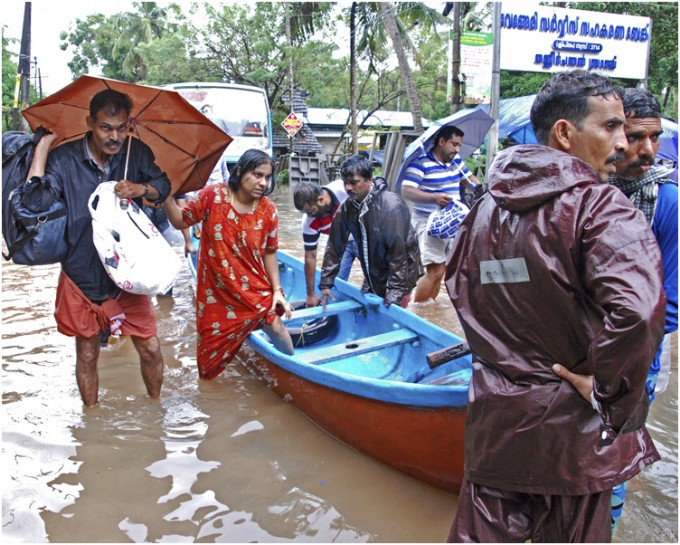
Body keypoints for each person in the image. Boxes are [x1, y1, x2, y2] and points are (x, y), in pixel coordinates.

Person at [444, 70, 666, 542]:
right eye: (610, 127)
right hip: (573, 439)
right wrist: (610, 396)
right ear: (565, 133)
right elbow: (639, 312)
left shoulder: (485, 207)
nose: (624, 143)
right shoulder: (601, 207)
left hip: (496, 425)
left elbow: (459, 286)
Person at [24, 89, 170, 407]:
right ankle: (91, 416)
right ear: (90, 123)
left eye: (120, 127)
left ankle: (155, 408)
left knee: (150, 347)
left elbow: (163, 186)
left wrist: (140, 188)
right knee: (87, 353)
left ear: (129, 124)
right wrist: (43, 148)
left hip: (128, 275)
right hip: (81, 273)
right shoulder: (64, 159)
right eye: (105, 127)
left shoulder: (137, 154)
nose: (114, 136)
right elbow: (34, 201)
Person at [608, 87, 678, 531]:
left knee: (613, 461)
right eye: (635, 137)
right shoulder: (590, 189)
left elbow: (671, 303)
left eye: (653, 137)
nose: (647, 149)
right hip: (579, 354)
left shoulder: (667, 202)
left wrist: (619, 360)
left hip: (636, 356)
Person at [164, 149, 294, 380]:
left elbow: (270, 252)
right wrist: (166, 194)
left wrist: (277, 291)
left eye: (267, 177)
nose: (263, 182)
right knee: (207, 368)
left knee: (276, 326)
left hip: (254, 290)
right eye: (257, 175)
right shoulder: (212, 196)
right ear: (240, 171)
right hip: (217, 294)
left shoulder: (268, 210)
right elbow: (179, 220)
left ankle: (292, 371)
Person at [318, 154, 419, 308]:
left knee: (392, 312)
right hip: (374, 271)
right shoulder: (348, 207)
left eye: (354, 183)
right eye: (345, 183)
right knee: (369, 307)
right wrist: (326, 283)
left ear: (369, 180)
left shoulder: (390, 206)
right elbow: (334, 246)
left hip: (402, 276)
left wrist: (394, 295)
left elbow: (398, 255)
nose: (348, 188)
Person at [400, 125, 481, 303]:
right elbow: (406, 190)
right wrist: (434, 198)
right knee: (435, 270)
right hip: (428, 223)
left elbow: (470, 180)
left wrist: (478, 187)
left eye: (459, 145)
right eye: (454, 144)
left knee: (446, 270)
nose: (457, 149)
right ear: (441, 141)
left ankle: (429, 307)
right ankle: (418, 310)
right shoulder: (421, 163)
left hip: (452, 223)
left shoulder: (456, 162)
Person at [293, 180, 359, 307]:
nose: (309, 216)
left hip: (363, 237)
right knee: (335, 285)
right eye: (305, 213)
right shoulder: (309, 222)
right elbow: (310, 256)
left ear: (321, 200)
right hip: (340, 243)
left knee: (375, 281)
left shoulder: (344, 190)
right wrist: (310, 294)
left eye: (311, 211)